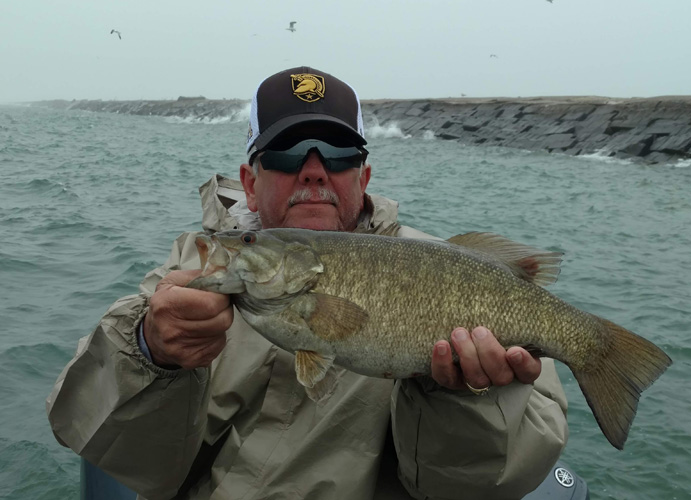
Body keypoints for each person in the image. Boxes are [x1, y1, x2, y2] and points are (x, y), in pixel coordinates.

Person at [47, 66, 568, 500]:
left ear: (363, 179)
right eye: (286, 153)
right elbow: (116, 447)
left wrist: (467, 396)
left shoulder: (448, 268)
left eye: (338, 154)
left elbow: (497, 478)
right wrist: (150, 350)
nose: (314, 171)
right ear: (250, 184)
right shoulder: (191, 274)